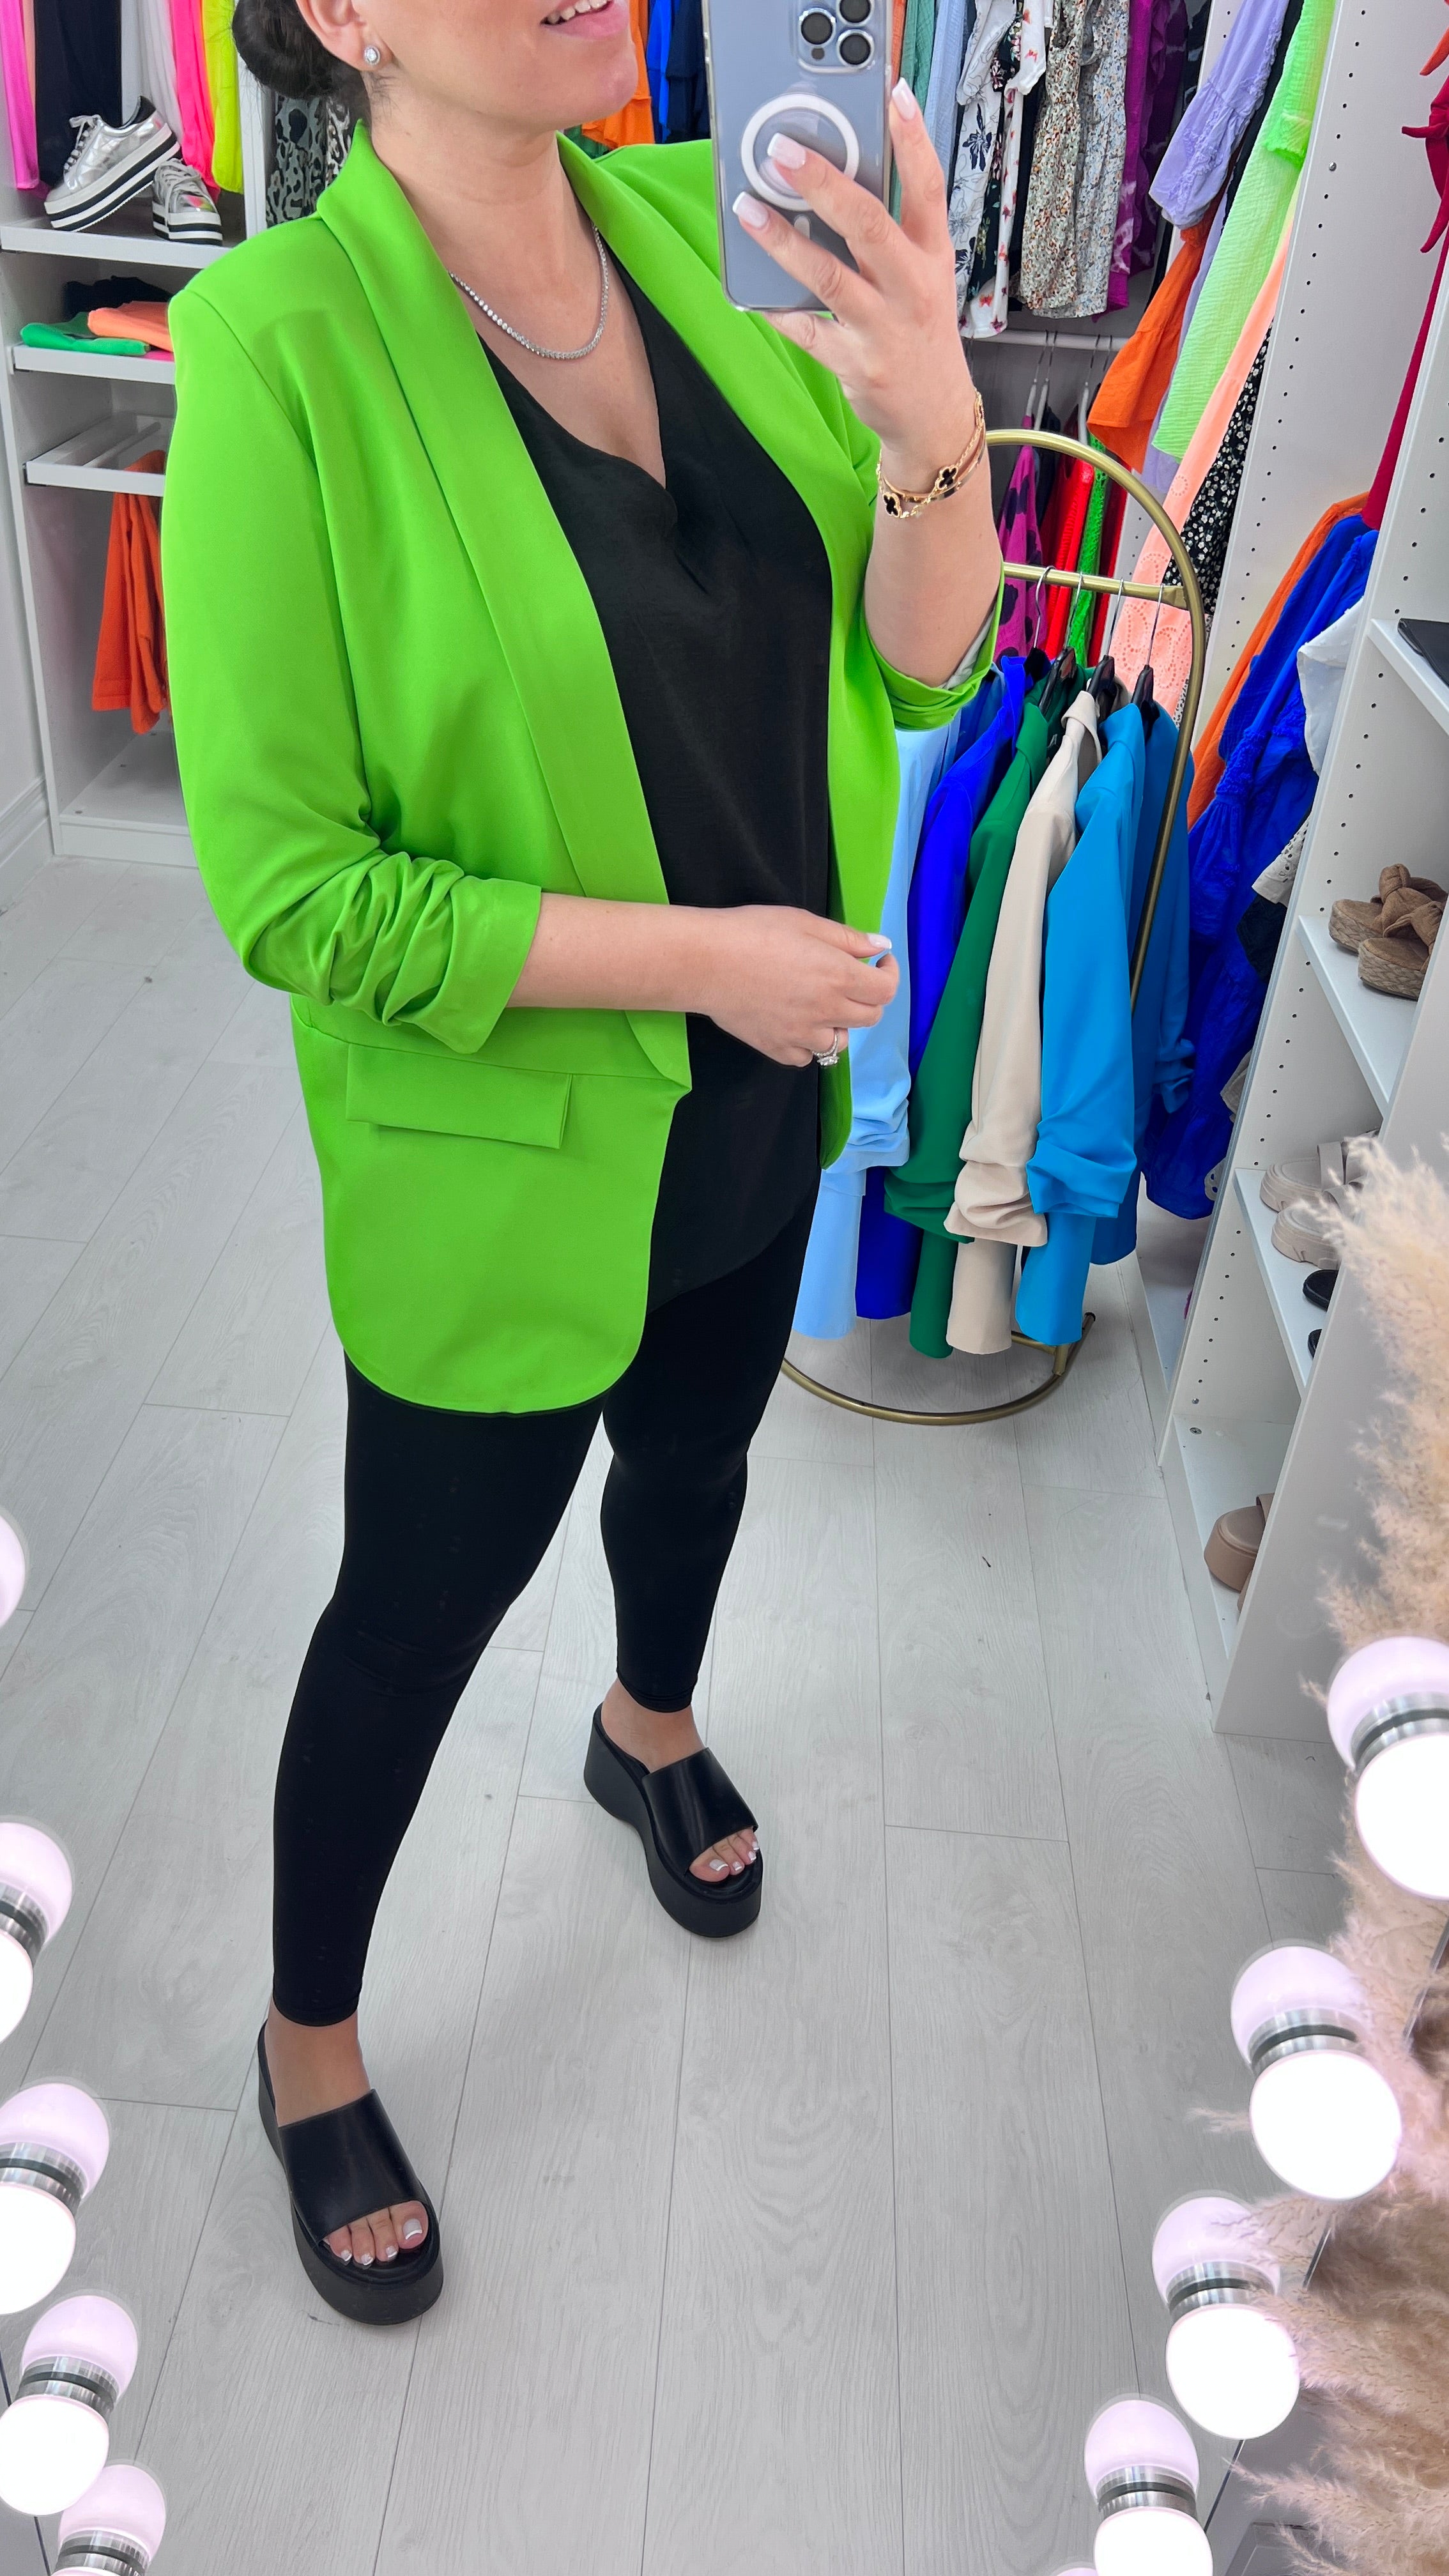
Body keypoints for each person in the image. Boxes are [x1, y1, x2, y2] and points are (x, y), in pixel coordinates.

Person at [163, 0, 1002, 2324]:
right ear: (342, 15)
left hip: (758, 1093)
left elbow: (920, 671)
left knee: (699, 1457)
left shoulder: (695, 231)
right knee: (416, 1609)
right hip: (515, 1145)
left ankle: (650, 1731)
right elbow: (295, 893)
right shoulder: (277, 346)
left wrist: (934, 422)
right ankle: (305, 2041)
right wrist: (697, 961)